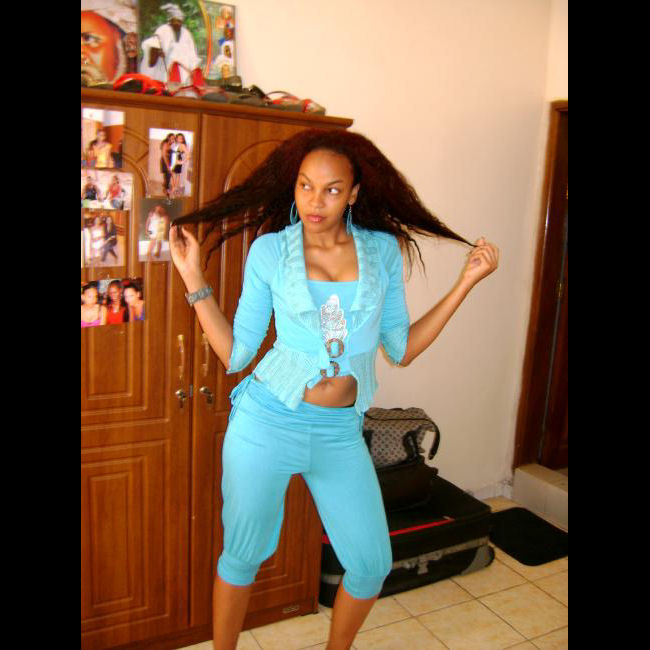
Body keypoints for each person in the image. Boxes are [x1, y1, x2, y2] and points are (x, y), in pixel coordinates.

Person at [168, 128, 499, 650]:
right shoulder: (270, 252)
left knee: (370, 564)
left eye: (331, 189)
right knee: (243, 556)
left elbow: (401, 348)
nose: (314, 201)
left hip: (339, 432)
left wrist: (466, 283)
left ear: (354, 194)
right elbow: (236, 354)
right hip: (267, 423)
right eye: (305, 186)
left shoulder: (382, 252)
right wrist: (193, 277)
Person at [139, 3, 203, 87]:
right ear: (170, 20)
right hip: (164, 70)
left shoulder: (187, 34)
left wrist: (194, 67)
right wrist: (158, 52)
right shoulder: (162, 30)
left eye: (179, 21)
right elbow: (153, 46)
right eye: (175, 20)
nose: (178, 23)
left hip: (182, 71)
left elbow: (192, 54)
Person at [171, 133, 189, 197]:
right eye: (178, 138)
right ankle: (175, 188)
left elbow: (188, 155)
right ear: (176, 138)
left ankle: (174, 188)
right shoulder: (175, 144)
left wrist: (182, 162)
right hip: (173, 161)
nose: (180, 139)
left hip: (177, 161)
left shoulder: (182, 145)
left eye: (181, 138)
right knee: (175, 175)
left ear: (183, 139)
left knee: (175, 175)